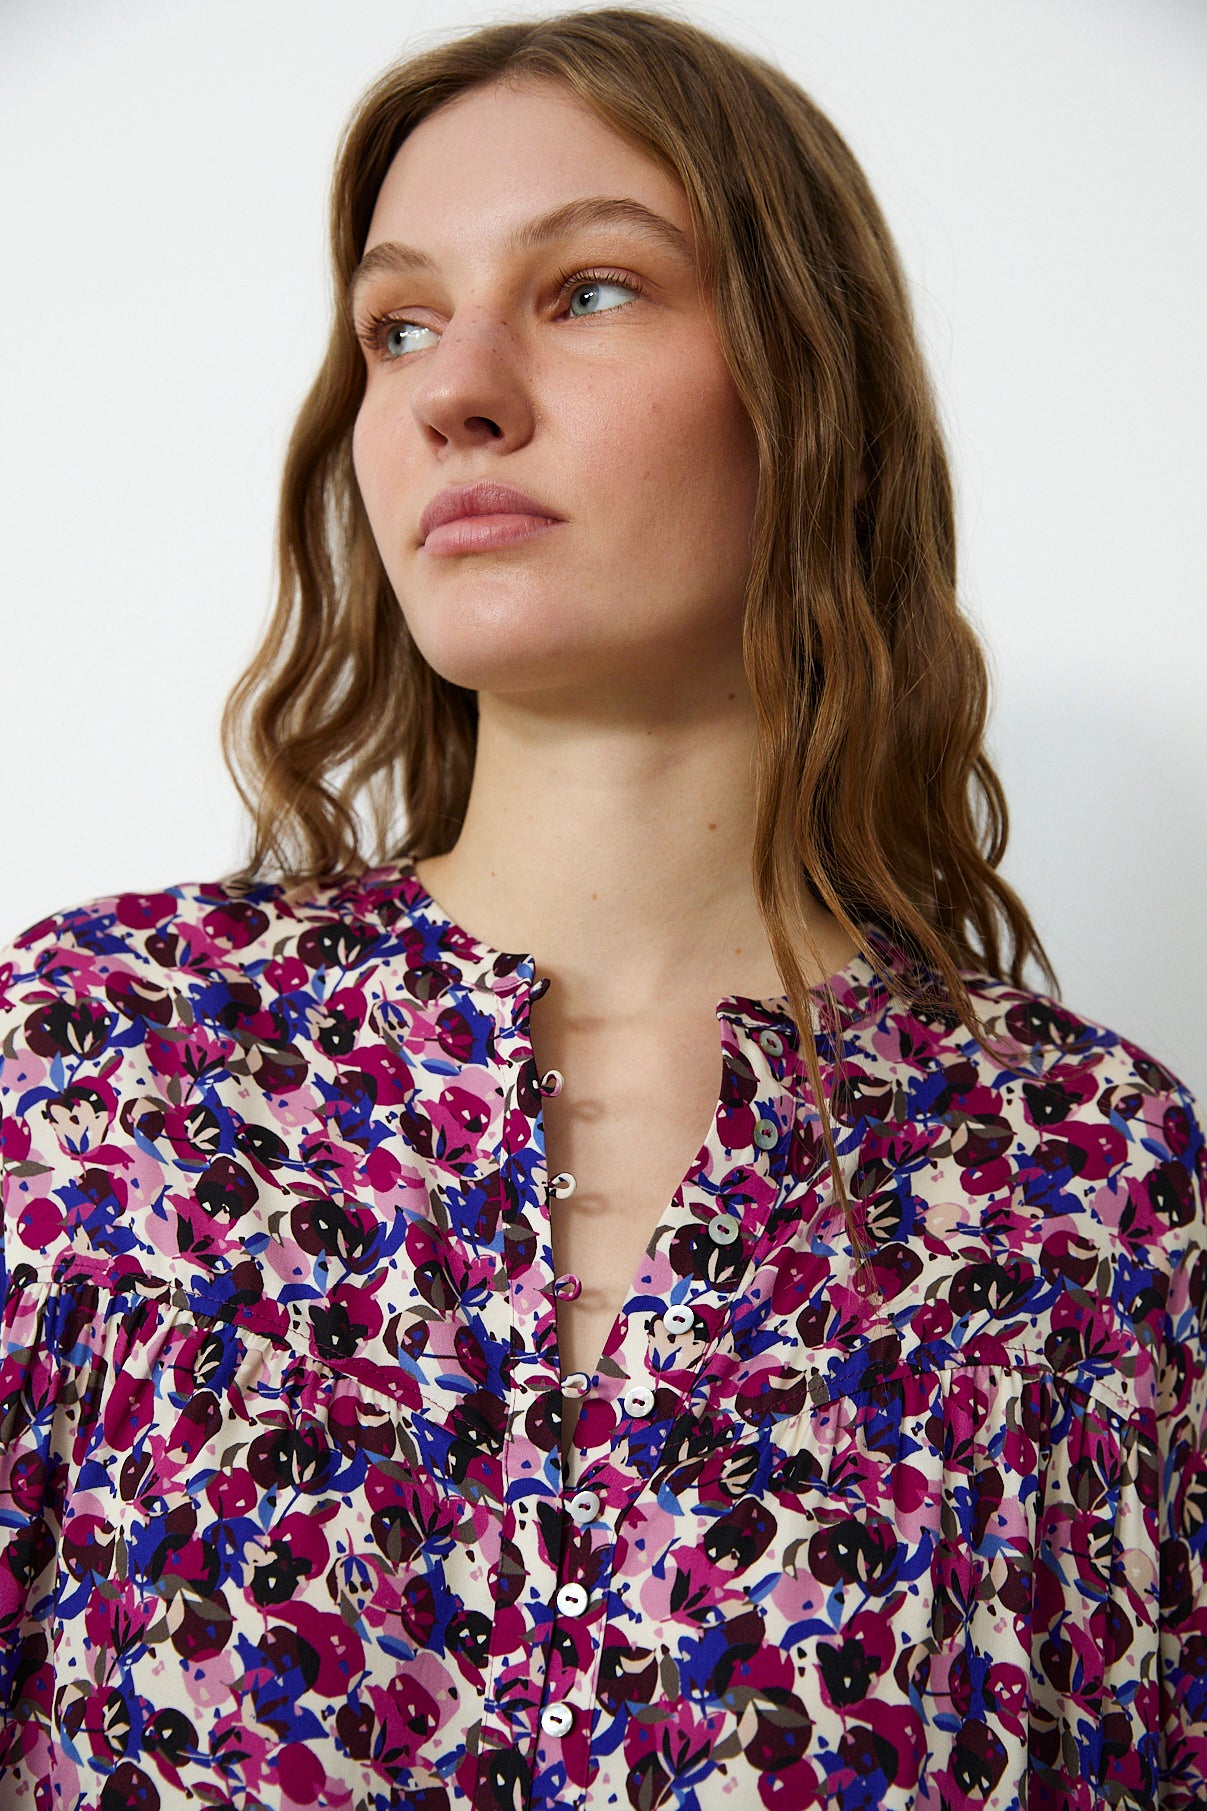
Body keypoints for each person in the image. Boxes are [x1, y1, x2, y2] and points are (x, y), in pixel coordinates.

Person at [0, 7, 1203, 1808]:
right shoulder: (97, 1073)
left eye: (589, 290)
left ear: (807, 385)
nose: (453, 390)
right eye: (399, 327)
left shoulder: (1088, 1188)